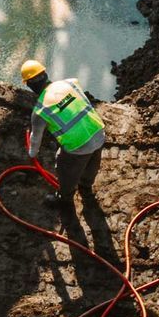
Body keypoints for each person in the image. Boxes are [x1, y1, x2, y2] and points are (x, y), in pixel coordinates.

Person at [20, 59, 107, 210]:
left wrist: (32, 154)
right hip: (98, 132)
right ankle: (86, 188)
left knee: (65, 170)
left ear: (29, 85)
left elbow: (35, 139)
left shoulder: (40, 110)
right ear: (45, 73)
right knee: (92, 163)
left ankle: (64, 198)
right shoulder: (71, 83)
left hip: (78, 145)